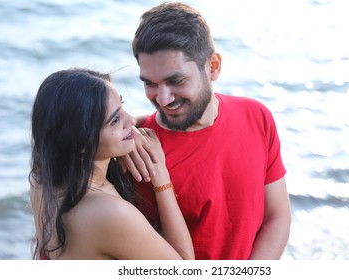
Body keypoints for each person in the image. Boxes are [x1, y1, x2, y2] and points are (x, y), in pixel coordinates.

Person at [122, 2, 291, 260]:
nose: (163, 99)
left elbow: (277, 217)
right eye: (150, 84)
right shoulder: (139, 152)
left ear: (213, 67)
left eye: (176, 81)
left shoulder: (257, 117)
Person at [29, 68, 194, 260]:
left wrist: (128, 132)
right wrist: (160, 176)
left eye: (122, 106)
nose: (131, 119)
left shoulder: (41, 180)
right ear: (82, 141)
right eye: (115, 119)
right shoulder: (112, 213)